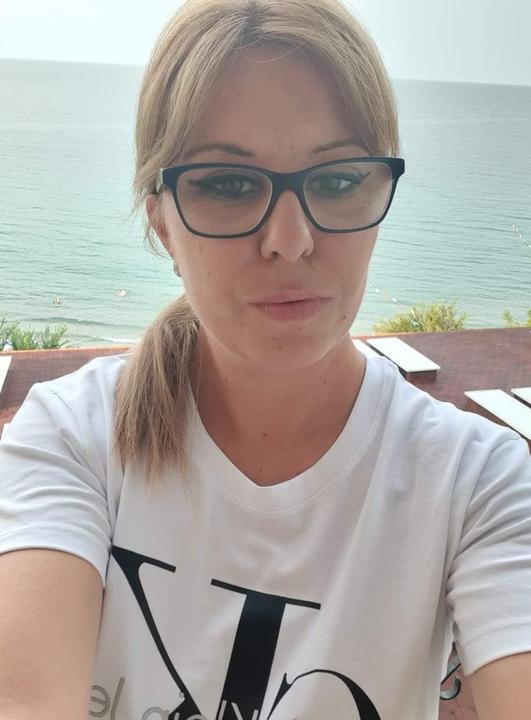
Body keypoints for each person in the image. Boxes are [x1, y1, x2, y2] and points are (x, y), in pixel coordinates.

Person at [1, 1, 530, 718]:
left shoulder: (479, 484)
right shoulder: (71, 439)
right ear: (161, 221)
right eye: (227, 183)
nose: (290, 240)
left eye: (337, 180)